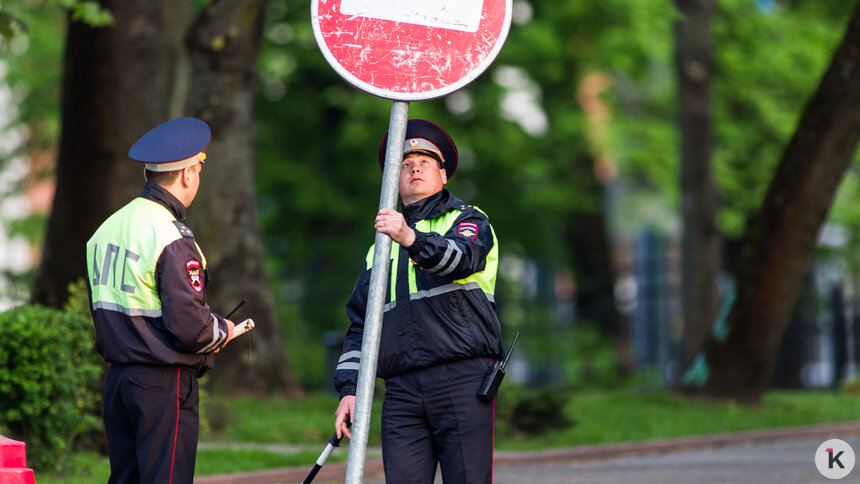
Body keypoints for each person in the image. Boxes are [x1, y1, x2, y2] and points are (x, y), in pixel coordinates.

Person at [333, 119, 505, 483]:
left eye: (425, 162)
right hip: (402, 391)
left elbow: (461, 260)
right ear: (393, 181)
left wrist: (409, 237)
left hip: (462, 378)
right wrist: (349, 389)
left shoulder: (467, 220)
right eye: (405, 164)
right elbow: (361, 325)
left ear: (443, 174)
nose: (414, 168)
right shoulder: (379, 247)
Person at [85, 117, 235, 484]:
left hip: (118, 380)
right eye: (199, 169)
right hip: (162, 383)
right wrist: (223, 331)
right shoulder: (170, 235)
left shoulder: (107, 228)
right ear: (187, 174)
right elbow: (190, 327)